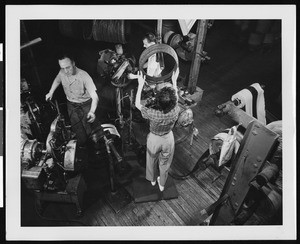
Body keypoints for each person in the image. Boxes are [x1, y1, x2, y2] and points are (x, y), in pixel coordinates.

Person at [135, 68, 180, 191]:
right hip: (168, 138)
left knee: (151, 160)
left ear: (157, 101)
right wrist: (174, 81)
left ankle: (153, 179)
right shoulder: (176, 109)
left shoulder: (152, 113)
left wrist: (140, 85)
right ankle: (162, 184)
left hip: (154, 139)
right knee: (165, 163)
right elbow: (176, 96)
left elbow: (137, 104)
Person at [45, 53, 99, 146]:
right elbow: (58, 79)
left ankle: (95, 150)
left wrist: (92, 112)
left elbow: (95, 97)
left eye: (68, 67)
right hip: (71, 105)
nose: (65, 71)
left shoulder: (84, 75)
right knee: (78, 130)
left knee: (91, 131)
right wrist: (51, 91)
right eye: (63, 68)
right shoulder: (62, 71)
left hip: (85, 105)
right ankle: (83, 150)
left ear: (73, 63)